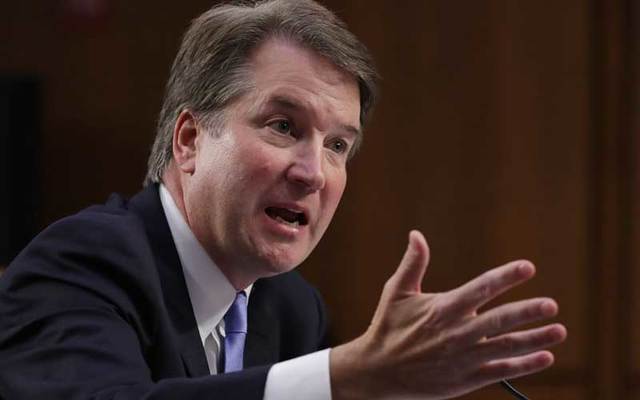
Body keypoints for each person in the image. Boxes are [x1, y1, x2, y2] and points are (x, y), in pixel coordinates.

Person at [0, 0, 567, 399]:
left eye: (338, 145)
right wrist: (345, 378)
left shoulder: (291, 309)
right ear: (191, 140)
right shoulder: (82, 264)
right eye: (283, 126)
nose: (313, 173)